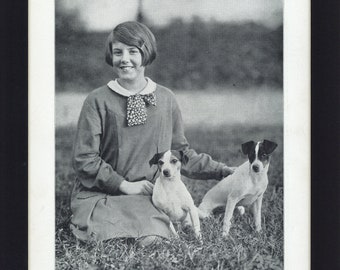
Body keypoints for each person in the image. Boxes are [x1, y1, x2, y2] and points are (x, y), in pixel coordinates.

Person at [70, 21, 234, 245]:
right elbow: (84, 159)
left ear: (146, 54)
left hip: (151, 194)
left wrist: (224, 171)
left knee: (153, 236)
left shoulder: (166, 98)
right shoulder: (97, 100)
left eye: (133, 51)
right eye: (117, 52)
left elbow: (182, 153)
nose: (124, 58)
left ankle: (153, 223)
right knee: (128, 233)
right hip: (104, 193)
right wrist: (123, 185)